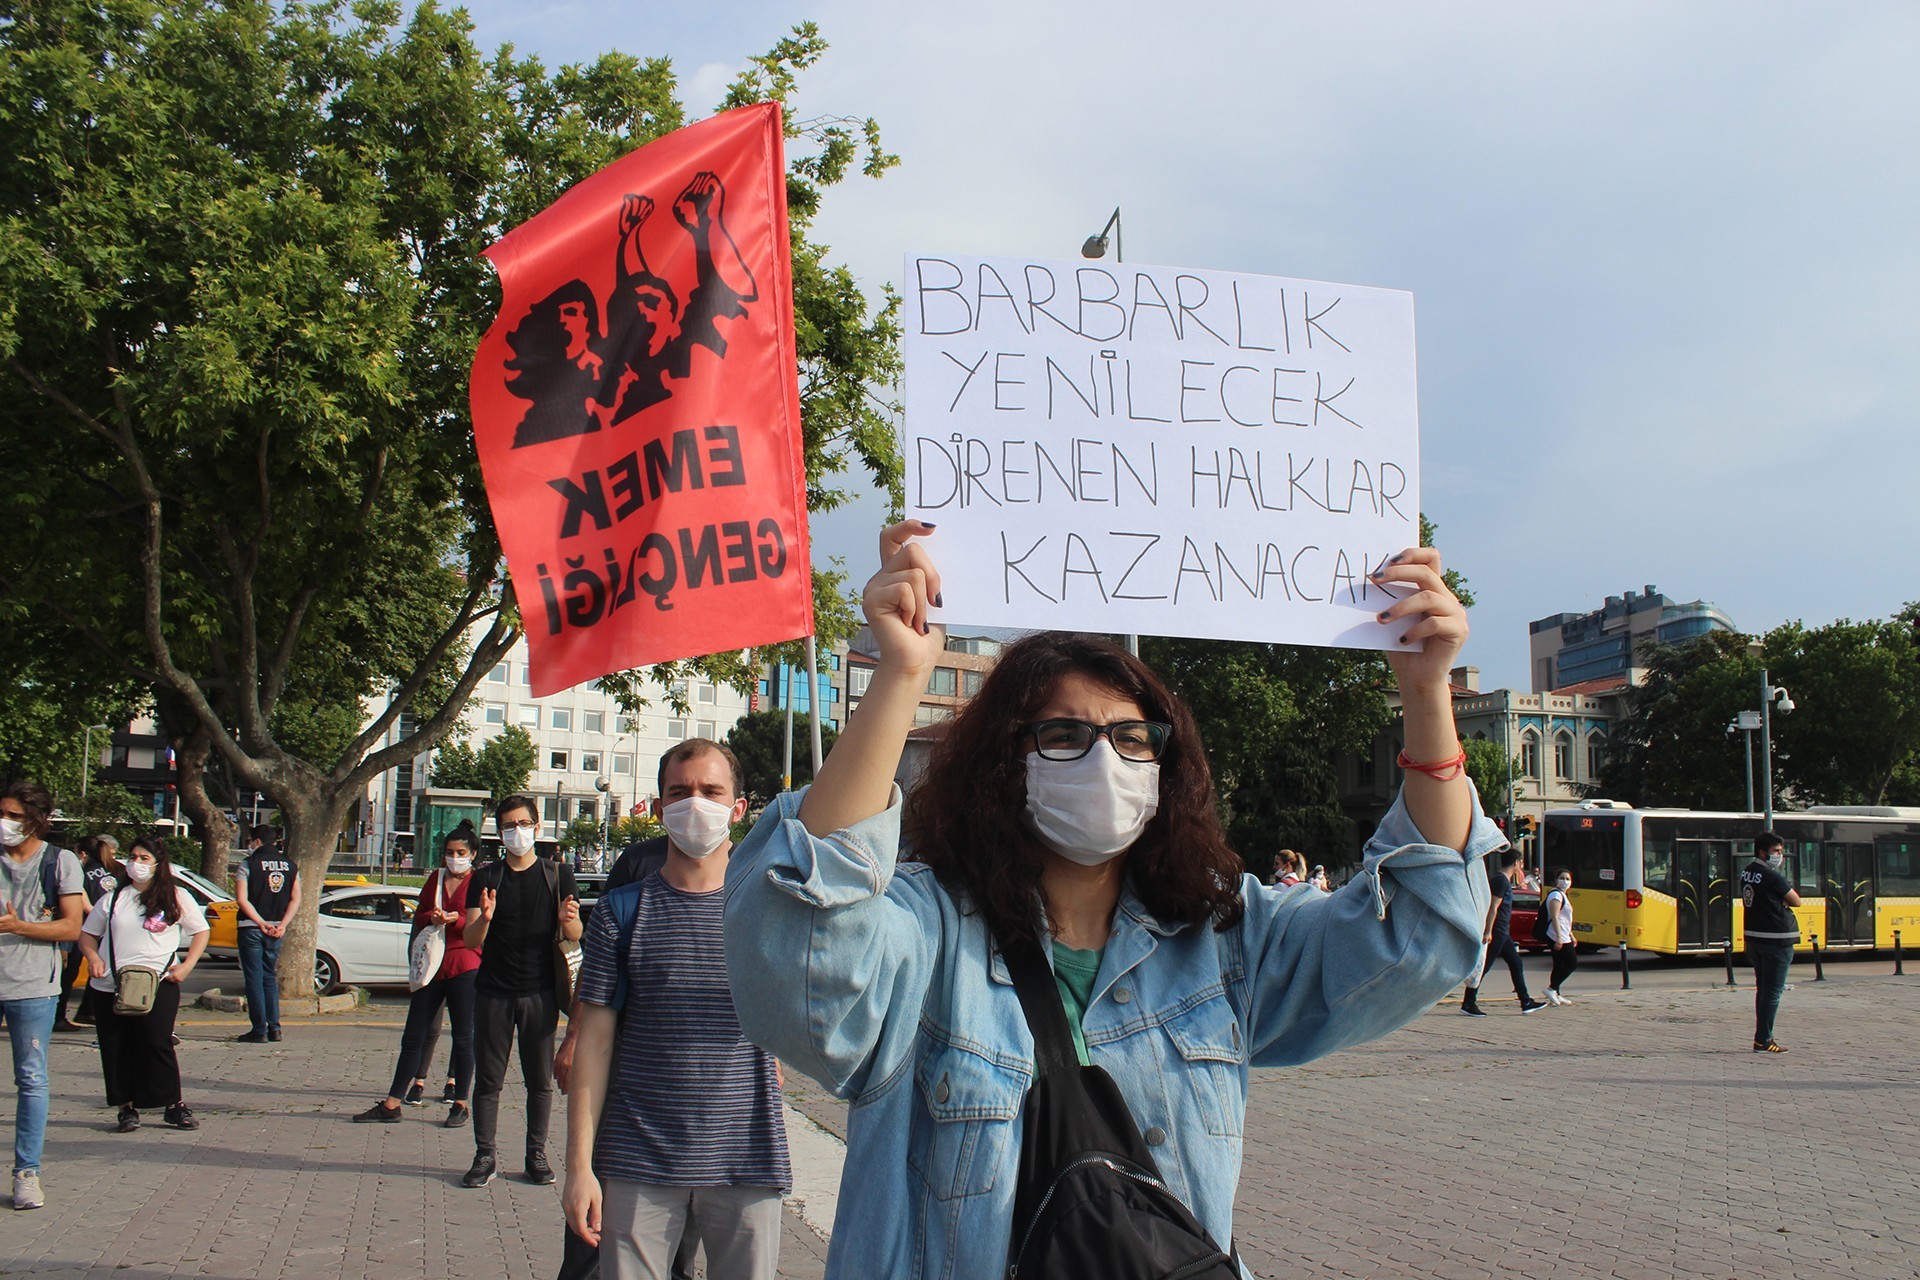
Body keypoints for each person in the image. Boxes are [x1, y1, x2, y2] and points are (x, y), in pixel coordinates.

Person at [722, 522, 1497, 1277]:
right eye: (1063, 737)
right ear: (1005, 763)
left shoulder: (1225, 936)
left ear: (1167, 766)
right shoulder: (925, 936)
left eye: (1133, 739)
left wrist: (1425, 692)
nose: (1105, 761)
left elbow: (1419, 933)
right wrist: (900, 674)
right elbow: (798, 961)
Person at [562, 740, 784, 1280]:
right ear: (659, 810)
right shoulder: (621, 912)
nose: (695, 804)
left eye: (711, 791)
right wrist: (578, 1169)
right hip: (638, 1159)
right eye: (679, 792)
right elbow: (592, 1044)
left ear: (738, 808)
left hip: (747, 1157)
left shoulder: (771, 908)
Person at [463, 795, 581, 1189]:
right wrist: (487, 918)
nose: (517, 832)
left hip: (540, 992)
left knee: (540, 1081)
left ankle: (536, 1153)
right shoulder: (484, 879)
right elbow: (470, 937)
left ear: (537, 826)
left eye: (523, 823)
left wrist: (571, 921)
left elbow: (574, 936)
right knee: (489, 1080)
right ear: (499, 833)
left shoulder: (557, 875)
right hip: (493, 991)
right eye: (509, 826)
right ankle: (485, 1154)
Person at [76, 832, 208, 1135]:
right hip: (111, 985)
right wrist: (93, 958)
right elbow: (87, 936)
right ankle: (126, 1107)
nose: (136, 864)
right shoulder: (113, 900)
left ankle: (172, 1105)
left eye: (144, 858)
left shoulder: (175, 897)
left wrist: (187, 966)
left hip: (159, 982)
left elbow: (200, 931)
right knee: (116, 1046)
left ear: (158, 863)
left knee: (156, 1042)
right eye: (133, 857)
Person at [355, 822, 482, 1126]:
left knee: (465, 1037)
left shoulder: (480, 882)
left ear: (473, 854)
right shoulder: (435, 880)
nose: (454, 858)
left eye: (461, 852)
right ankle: (392, 1102)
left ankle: (461, 1102)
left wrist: (457, 919)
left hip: (466, 964)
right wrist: (433, 916)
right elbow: (421, 913)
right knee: (415, 1035)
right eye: (450, 853)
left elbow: (484, 922)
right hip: (432, 966)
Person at [0, 782, 87, 1210]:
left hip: (33, 987)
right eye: (3, 813)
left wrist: (20, 927)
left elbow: (71, 927)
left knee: (31, 1079)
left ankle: (26, 1173)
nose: (5, 823)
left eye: (14, 816)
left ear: (37, 819)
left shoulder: (59, 861)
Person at [233, 823, 300, 1044]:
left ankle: (259, 1029)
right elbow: (295, 898)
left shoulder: (248, 864)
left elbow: (242, 900)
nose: (249, 845)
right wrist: (282, 924)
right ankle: (275, 1028)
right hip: (276, 928)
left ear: (257, 841)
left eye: (251, 841)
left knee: (254, 977)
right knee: (269, 976)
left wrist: (259, 922)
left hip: (251, 927)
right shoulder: (291, 865)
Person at [1463, 847, 1544, 1016]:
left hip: (1502, 932)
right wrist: (1488, 931)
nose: (1521, 865)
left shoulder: (1502, 880)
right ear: (1515, 863)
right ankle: (1468, 1003)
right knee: (1483, 967)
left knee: (1516, 963)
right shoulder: (1501, 881)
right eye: (1521, 862)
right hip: (1497, 931)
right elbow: (1493, 907)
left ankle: (1526, 1001)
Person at [1741, 831, 1801, 1053]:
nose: (1779, 856)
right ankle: (1764, 1039)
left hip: (1755, 938)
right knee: (1773, 992)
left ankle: (1762, 1036)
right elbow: (1797, 901)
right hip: (1777, 940)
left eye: (1781, 852)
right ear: (1763, 852)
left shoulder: (1747, 872)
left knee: (1763, 989)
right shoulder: (1772, 876)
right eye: (1776, 851)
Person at [56, 834, 121, 1031]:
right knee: (100, 972)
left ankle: (59, 1016)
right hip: (108, 930)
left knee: (67, 975)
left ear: (82, 853)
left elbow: (84, 905)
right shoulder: (117, 870)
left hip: (83, 929)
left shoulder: (82, 872)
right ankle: (88, 1011)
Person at [1543, 868, 1577, 1005]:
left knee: (1558, 964)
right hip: (1557, 935)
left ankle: (1556, 993)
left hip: (1564, 934)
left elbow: (1566, 919)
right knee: (1571, 963)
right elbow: (1554, 917)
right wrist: (1558, 938)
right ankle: (1551, 989)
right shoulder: (1555, 895)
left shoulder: (1563, 896)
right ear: (1556, 880)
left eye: (1568, 879)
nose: (1565, 881)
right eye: (1562, 878)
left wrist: (1571, 934)